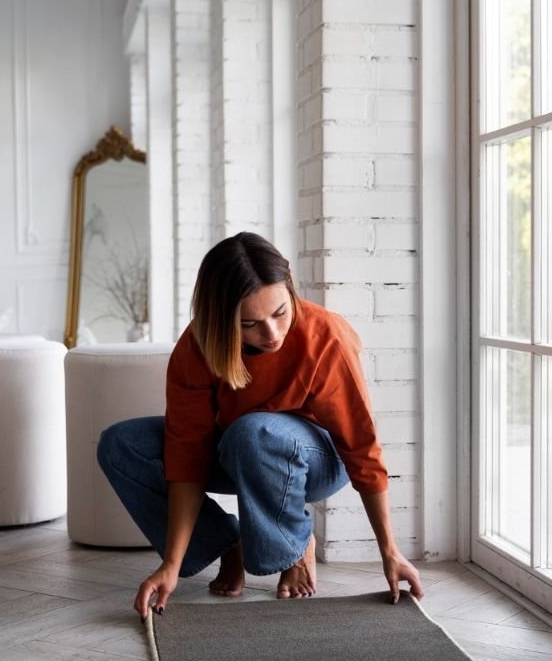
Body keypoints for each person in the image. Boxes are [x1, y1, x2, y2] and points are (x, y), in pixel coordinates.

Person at [97, 232, 424, 618]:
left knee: (254, 432)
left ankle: (293, 546)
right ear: (220, 320)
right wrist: (171, 563)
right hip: (242, 451)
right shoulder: (198, 347)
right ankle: (225, 544)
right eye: (250, 323)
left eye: (280, 312)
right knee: (121, 444)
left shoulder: (326, 337)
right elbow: (186, 455)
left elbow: (361, 446)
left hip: (319, 460)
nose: (272, 335)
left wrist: (390, 550)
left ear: (290, 289)